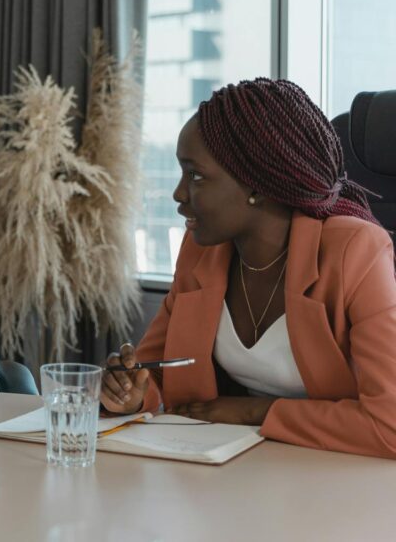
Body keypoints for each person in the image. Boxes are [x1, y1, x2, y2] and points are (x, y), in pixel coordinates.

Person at [102, 77, 396, 459]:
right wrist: (133, 393)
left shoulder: (356, 251)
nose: (177, 193)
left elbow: (389, 425)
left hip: (341, 478)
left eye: (195, 175)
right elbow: (156, 373)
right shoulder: (200, 251)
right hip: (231, 468)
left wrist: (257, 412)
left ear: (256, 184)